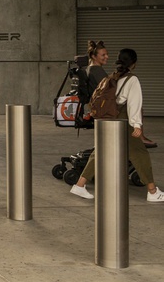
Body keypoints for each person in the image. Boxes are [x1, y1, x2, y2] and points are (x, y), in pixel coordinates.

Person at [70, 48, 164, 202]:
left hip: (106, 118)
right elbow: (134, 104)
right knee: (139, 153)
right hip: (122, 120)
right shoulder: (131, 80)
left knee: (100, 151)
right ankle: (153, 192)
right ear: (134, 63)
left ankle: (80, 185)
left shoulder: (112, 77)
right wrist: (137, 125)